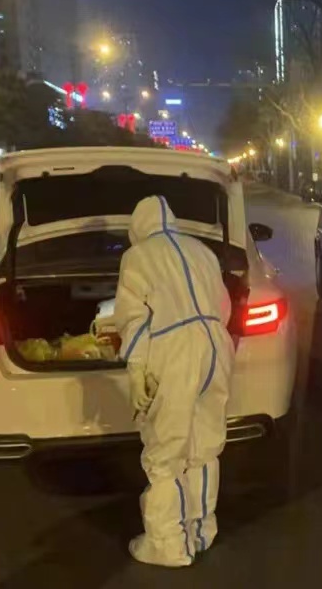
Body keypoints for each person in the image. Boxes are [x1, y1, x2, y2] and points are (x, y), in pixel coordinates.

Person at [114, 195, 235, 567]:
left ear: (138, 227)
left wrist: (137, 371)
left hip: (174, 350)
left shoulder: (138, 256)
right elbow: (224, 307)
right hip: (216, 346)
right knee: (204, 445)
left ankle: (167, 545)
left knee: (165, 453)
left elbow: (134, 319)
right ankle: (201, 531)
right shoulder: (202, 251)